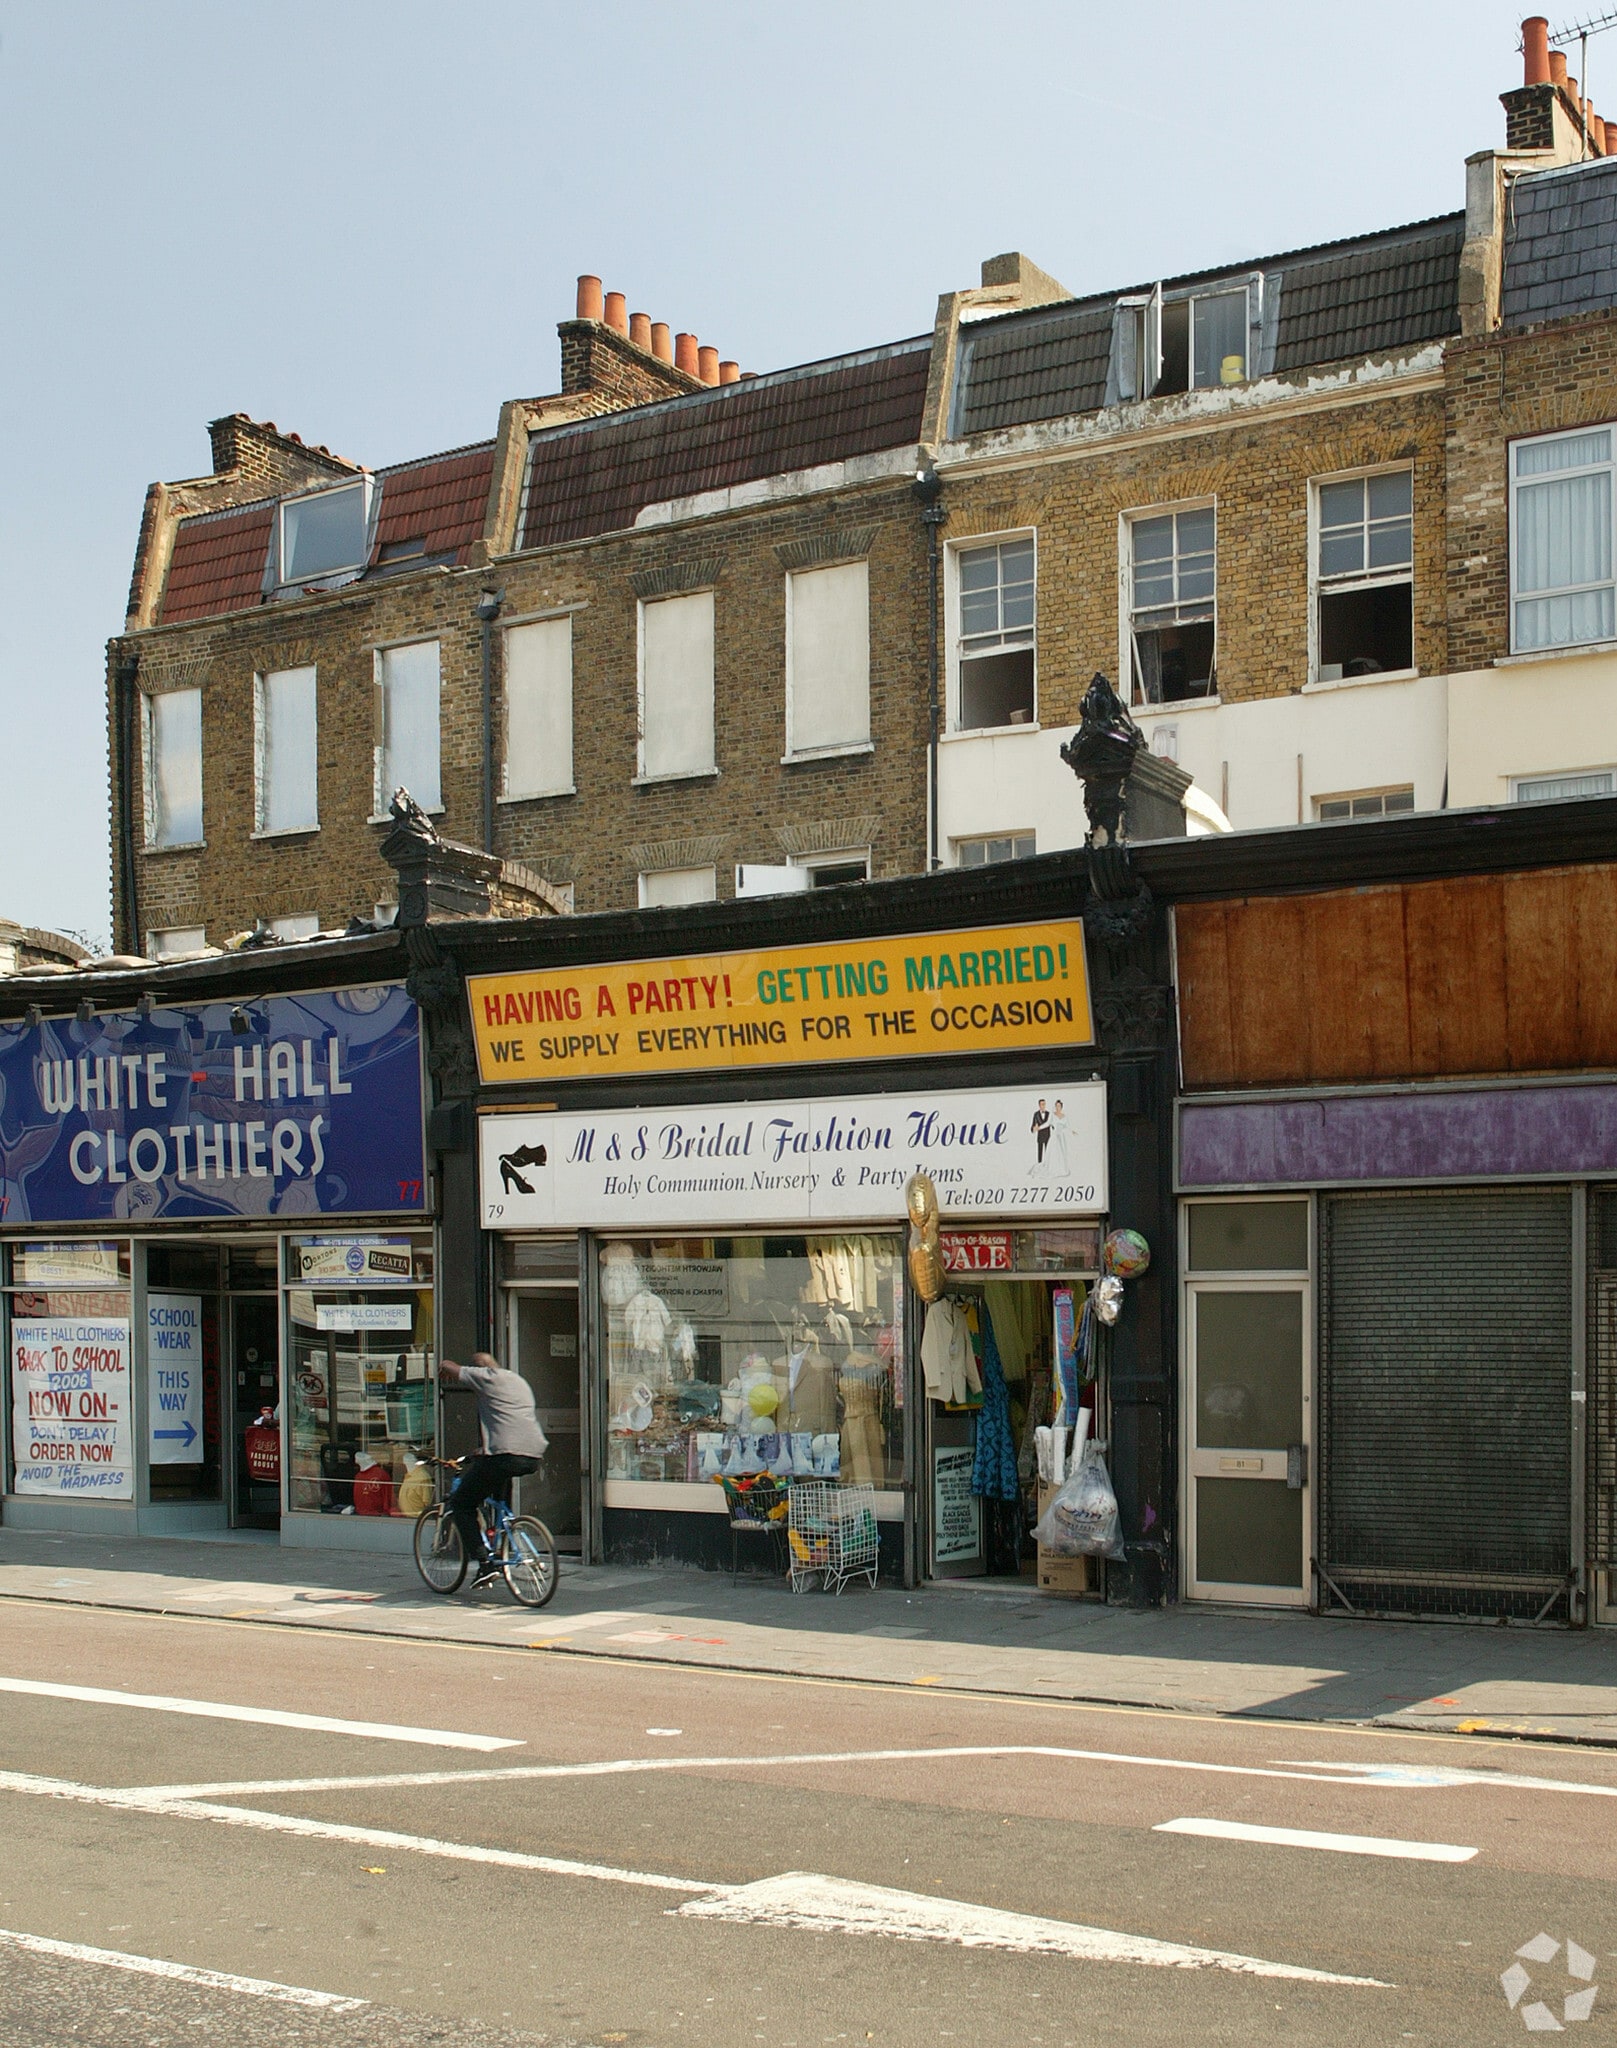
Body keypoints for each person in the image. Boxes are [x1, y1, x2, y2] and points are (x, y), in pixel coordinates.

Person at [438, 1353, 548, 1587]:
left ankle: (484, 1565)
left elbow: (451, 1366)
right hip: (532, 1454)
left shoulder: (487, 1378)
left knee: (462, 1503)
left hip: (505, 1455)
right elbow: (509, 1420)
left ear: (482, 1369)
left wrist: (442, 1367)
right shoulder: (518, 1381)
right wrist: (484, 1448)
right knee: (496, 1492)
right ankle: (502, 1538)